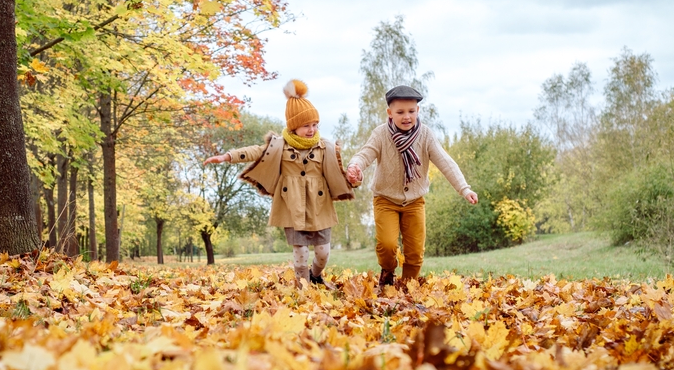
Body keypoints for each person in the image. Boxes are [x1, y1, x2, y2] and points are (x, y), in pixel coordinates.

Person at [204, 79, 354, 285]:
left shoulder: (325, 147)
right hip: (292, 205)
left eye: (314, 125)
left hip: (320, 207)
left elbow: (339, 173)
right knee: (300, 254)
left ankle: (316, 276)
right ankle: (304, 287)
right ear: (293, 127)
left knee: (323, 253)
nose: (311, 130)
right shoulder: (279, 146)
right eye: (306, 126)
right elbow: (255, 151)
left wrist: (354, 177)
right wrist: (227, 156)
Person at [346, 85, 479, 289]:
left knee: (415, 251)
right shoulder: (381, 134)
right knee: (388, 245)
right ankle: (388, 272)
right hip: (385, 199)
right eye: (400, 112)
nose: (406, 116)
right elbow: (365, 154)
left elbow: (445, 162)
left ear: (418, 111)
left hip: (415, 202)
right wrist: (355, 166)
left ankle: (408, 287)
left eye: (411, 111)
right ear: (390, 113)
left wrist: (465, 188)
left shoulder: (425, 135)